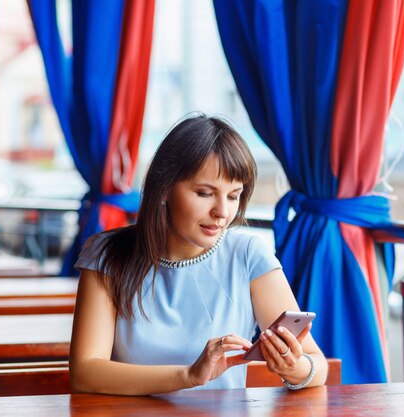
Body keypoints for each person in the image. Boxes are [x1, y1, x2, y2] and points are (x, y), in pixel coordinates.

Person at [70, 114, 328, 395]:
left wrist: (294, 368)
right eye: (205, 193)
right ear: (164, 188)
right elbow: (85, 371)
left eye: (233, 196)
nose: (222, 212)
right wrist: (188, 375)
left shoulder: (249, 256)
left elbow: (317, 364)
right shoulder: (107, 255)